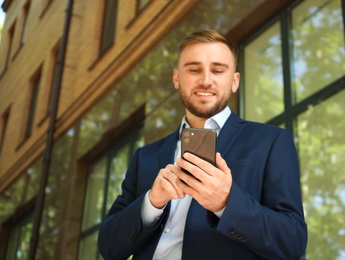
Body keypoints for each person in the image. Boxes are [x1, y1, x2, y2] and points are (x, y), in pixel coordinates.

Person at [98, 29, 307, 260]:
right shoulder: (145, 156)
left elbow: (292, 242)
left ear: (234, 81)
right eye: (194, 69)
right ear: (177, 78)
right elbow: (108, 246)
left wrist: (226, 202)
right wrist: (152, 203)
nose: (206, 80)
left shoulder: (271, 141)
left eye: (218, 70)